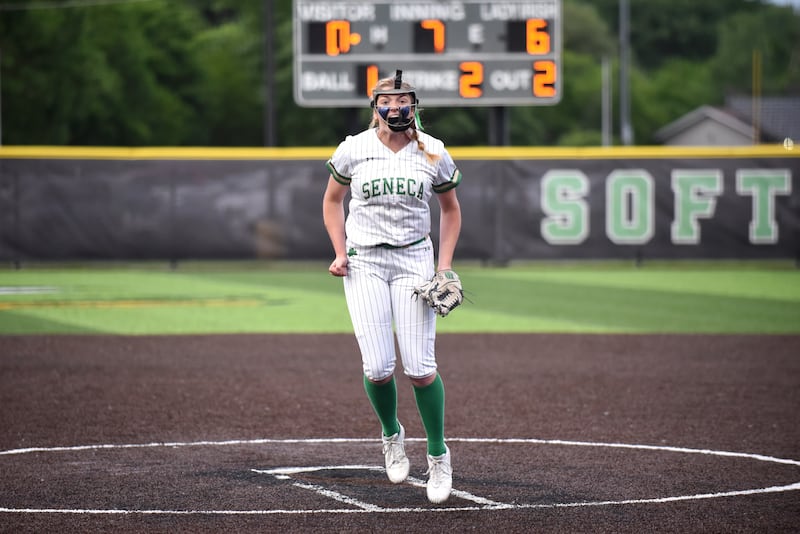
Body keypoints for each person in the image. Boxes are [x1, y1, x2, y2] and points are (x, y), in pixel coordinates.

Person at [321, 70, 462, 504]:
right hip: (365, 259)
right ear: (375, 105)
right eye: (389, 99)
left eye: (404, 101)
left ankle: (438, 455)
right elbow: (331, 201)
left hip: (414, 258)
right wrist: (340, 251)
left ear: (415, 105)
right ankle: (391, 433)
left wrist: (444, 267)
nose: (396, 108)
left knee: (420, 367)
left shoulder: (433, 151)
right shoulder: (353, 149)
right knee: (378, 367)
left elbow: (451, 211)